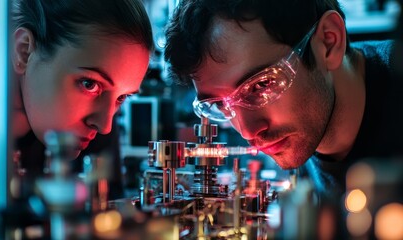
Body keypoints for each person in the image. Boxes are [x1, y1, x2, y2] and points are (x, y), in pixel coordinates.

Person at [164, 0, 403, 197]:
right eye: (219, 105)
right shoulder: (303, 144)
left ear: (329, 43)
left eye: (260, 85)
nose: (247, 131)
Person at [0, 0, 154, 178]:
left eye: (121, 98)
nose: (104, 126)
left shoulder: (95, 132)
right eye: (89, 84)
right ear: (23, 52)